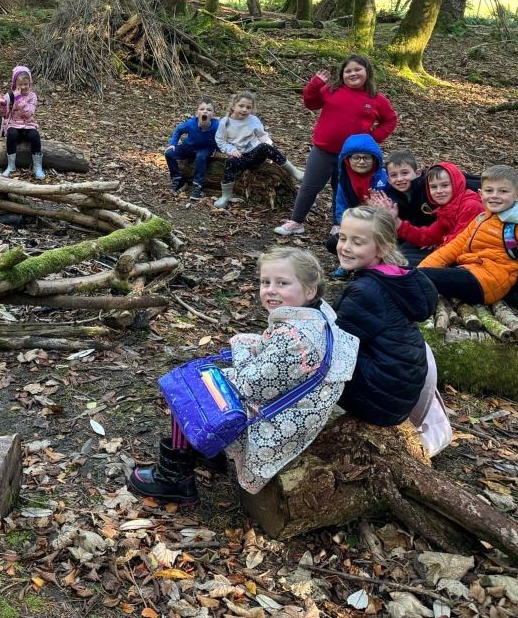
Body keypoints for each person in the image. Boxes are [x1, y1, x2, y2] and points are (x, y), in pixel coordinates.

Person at [127, 248, 359, 501]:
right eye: (265, 282)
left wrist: (241, 346)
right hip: (291, 408)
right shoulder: (317, 317)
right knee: (207, 380)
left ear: (310, 290)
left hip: (276, 423)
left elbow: (251, 386)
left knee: (190, 390)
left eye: (282, 283)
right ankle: (207, 450)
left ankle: (174, 479)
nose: (271, 289)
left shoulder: (297, 340)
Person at [332, 207, 446, 446]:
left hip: (381, 400)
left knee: (314, 358)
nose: (345, 247)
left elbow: (335, 343)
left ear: (382, 248)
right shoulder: (395, 276)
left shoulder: (366, 291)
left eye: (358, 242)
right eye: (343, 238)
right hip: (398, 391)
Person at [274, 55, 397, 236]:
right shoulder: (332, 90)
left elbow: (390, 120)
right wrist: (315, 84)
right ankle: (296, 221)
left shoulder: (376, 99)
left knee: (342, 189)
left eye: (357, 70)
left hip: (352, 157)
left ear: (367, 72)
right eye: (348, 71)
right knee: (310, 185)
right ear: (342, 74)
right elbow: (310, 102)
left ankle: (339, 223)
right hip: (323, 150)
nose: (353, 73)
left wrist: (372, 139)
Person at [418, 165, 518, 321]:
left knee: (415, 276)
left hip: (487, 283)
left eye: (503, 191)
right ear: (480, 193)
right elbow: (453, 247)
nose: (495, 196)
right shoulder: (482, 218)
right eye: (489, 190)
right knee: (414, 273)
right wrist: (422, 267)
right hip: (469, 270)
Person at [212, 91, 303, 209]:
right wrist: (231, 149)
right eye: (241, 106)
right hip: (239, 157)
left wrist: (270, 150)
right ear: (233, 106)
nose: (244, 110)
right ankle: (226, 195)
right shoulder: (225, 122)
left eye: (248, 107)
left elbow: (263, 136)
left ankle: (295, 172)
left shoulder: (253, 120)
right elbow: (220, 140)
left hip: (255, 155)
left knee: (265, 147)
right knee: (230, 163)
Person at [386, 162, 484, 265]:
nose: (439, 191)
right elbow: (427, 236)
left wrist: (436, 249)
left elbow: (457, 245)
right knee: (405, 249)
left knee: (406, 263)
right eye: (433, 187)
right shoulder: (447, 208)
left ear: (457, 184)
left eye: (445, 185)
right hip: (451, 253)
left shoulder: (471, 207)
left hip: (473, 261)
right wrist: (397, 222)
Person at [323, 134, 390, 275]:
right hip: (355, 225)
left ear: (374, 159)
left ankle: (371, 267)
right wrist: (345, 226)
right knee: (333, 243)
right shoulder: (345, 181)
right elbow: (341, 206)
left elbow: (390, 208)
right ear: (348, 160)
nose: (361, 161)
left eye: (366, 158)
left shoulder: (383, 180)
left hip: (379, 227)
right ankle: (348, 265)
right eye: (356, 157)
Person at [0, 65, 45, 180]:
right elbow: (3, 114)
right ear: (15, 84)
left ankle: (37, 166)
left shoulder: (32, 96)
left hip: (28, 124)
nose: (23, 87)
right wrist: (3, 105)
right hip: (14, 124)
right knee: (12, 134)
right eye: (20, 85)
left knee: (35, 135)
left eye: (26, 84)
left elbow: (29, 113)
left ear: (30, 83)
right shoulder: (10, 95)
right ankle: (11, 166)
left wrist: (20, 100)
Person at [164, 99, 219, 200]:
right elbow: (178, 130)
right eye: (202, 109)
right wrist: (172, 143)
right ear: (197, 113)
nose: (205, 111)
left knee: (200, 157)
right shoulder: (190, 123)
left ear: (213, 115)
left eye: (209, 110)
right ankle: (177, 179)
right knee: (169, 153)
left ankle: (198, 186)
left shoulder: (217, 126)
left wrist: (218, 149)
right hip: (189, 147)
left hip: (205, 149)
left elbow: (223, 138)